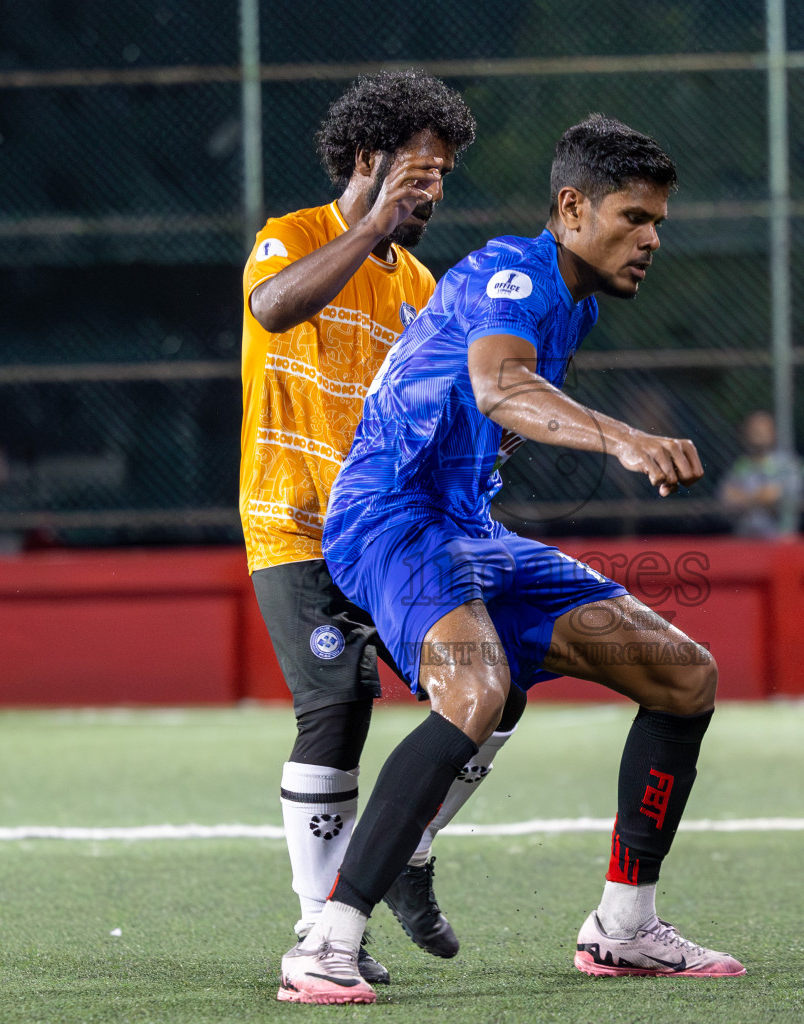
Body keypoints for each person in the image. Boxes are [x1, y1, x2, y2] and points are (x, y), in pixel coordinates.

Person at [275, 114, 745, 1005]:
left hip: (466, 530)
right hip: (389, 519)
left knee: (684, 676)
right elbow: (500, 384)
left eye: (657, 222)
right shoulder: (513, 273)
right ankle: (327, 941)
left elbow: (488, 396)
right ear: (571, 209)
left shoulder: (577, 300)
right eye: (633, 218)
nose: (650, 239)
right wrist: (622, 439)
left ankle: (624, 926)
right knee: (476, 690)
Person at [238, 71, 512, 989]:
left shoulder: (423, 285)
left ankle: (409, 847)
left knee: (494, 686)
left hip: (389, 532)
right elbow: (273, 308)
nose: (433, 192)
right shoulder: (293, 237)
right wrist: (368, 230)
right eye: (420, 173)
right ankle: (322, 926)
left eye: (442, 178)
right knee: (338, 705)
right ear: (368, 159)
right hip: (294, 520)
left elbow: (432, 412)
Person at [718, 409, 804, 538]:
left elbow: (773, 496)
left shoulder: (787, 464)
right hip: (746, 541)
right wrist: (759, 498)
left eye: (763, 429)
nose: (758, 433)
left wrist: (744, 500)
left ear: (773, 432)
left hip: (779, 540)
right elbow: (727, 498)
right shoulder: (740, 465)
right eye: (754, 429)